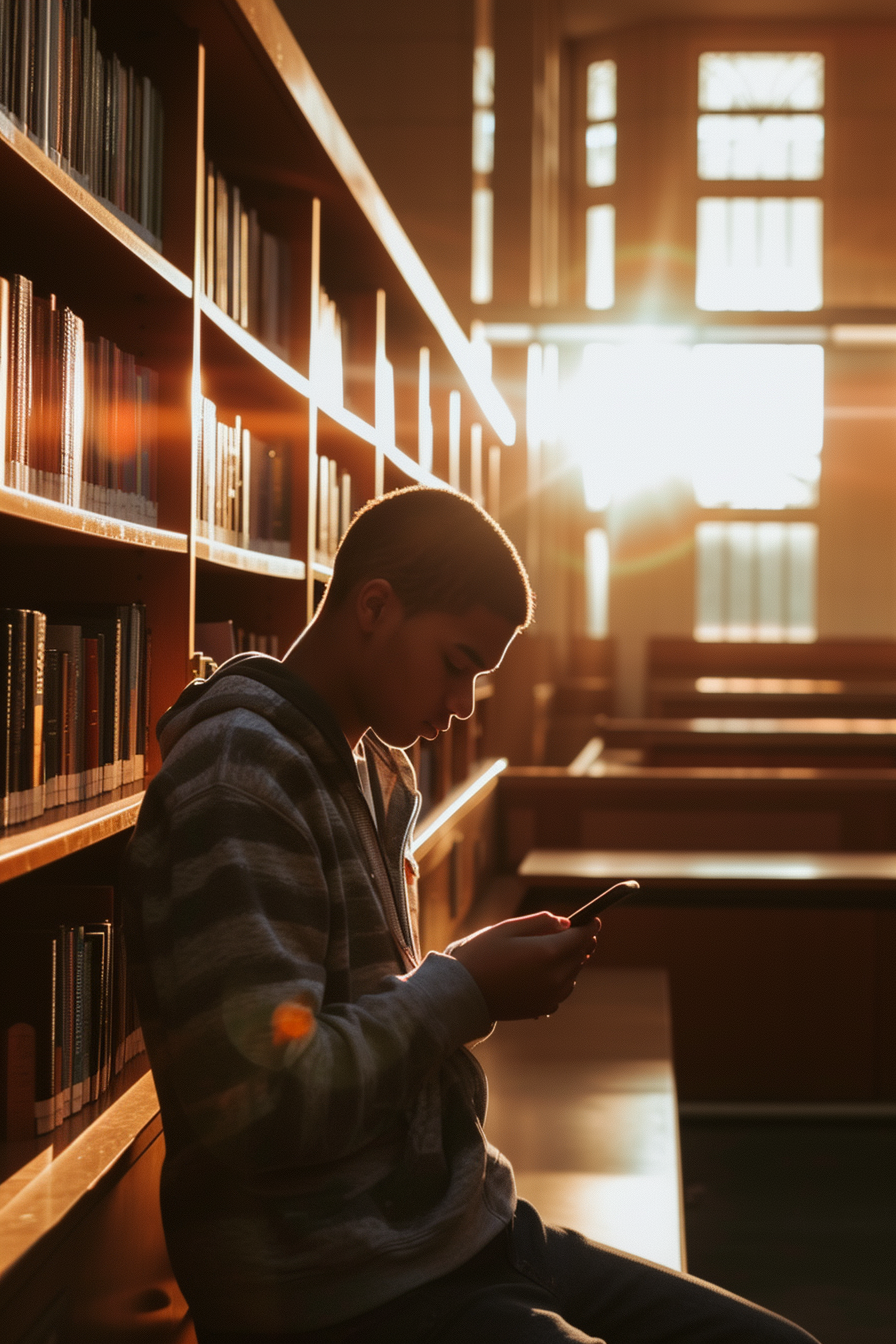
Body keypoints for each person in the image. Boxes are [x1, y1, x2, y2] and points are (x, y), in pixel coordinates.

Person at [122, 486, 820, 1344]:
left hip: (460, 1232)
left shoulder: (369, 767)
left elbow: (352, 1008)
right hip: (340, 1286)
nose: (460, 704)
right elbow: (264, 1102)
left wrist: (466, 977)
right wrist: (462, 990)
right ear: (374, 606)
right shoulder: (241, 780)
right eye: (457, 662)